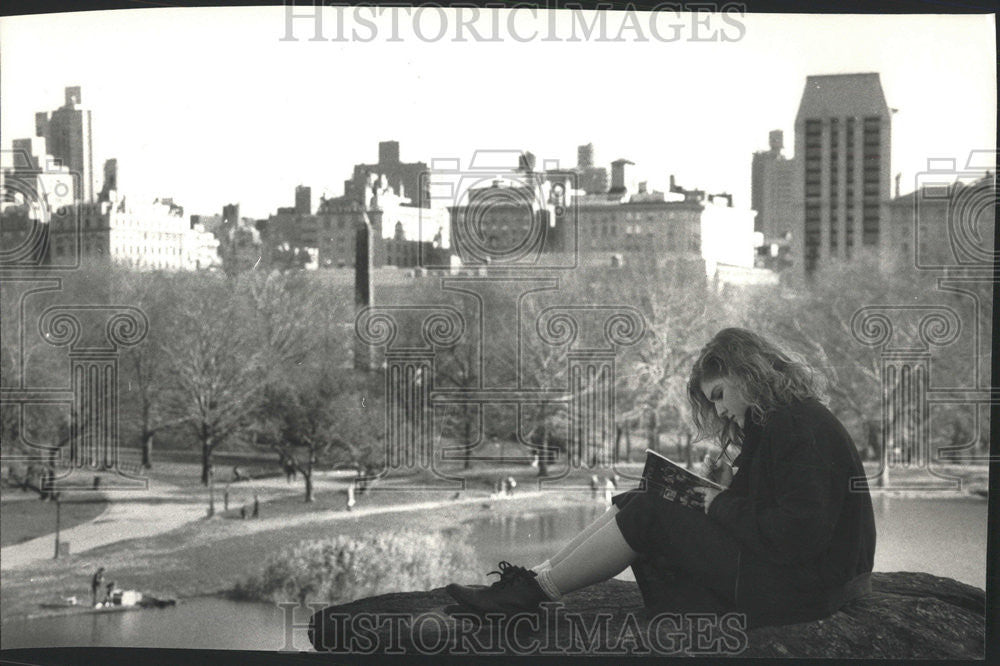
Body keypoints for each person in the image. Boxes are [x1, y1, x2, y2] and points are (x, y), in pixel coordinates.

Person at [446, 328, 876, 628]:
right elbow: (777, 516)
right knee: (641, 497)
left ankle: (529, 594)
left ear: (748, 374)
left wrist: (717, 502)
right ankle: (532, 580)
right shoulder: (784, 422)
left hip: (804, 591)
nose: (721, 411)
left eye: (720, 395)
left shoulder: (796, 426)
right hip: (805, 580)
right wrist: (717, 490)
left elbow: (796, 534)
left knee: (650, 509)